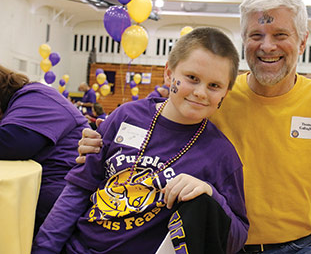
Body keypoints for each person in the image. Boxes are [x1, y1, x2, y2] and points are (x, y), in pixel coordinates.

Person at [77, 0, 311, 253]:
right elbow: (160, 111)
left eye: (280, 34)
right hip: (216, 241)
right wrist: (102, 138)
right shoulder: (216, 95)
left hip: (301, 246)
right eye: (256, 36)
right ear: (244, 42)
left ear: (303, 40)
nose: (267, 46)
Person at [33, 27, 248, 254]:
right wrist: (43, 249)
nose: (201, 93)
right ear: (169, 73)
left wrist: (210, 195)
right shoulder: (126, 115)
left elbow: (237, 237)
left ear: (226, 91)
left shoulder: (222, 154)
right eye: (192, 78)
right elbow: (77, 190)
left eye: (214, 86)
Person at [0, 65, 89, 236]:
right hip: (51, 194)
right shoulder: (29, 98)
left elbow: (13, 143)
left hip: (60, 197)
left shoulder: (36, 96)